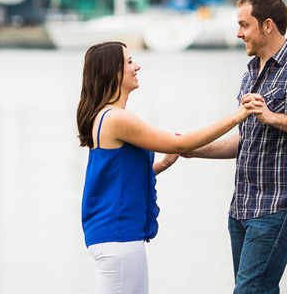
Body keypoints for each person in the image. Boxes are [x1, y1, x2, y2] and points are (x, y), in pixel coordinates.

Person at [183, 0, 287, 294]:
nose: (239, 33)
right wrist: (192, 149)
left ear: (268, 25)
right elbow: (247, 142)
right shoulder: (251, 74)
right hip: (242, 208)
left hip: (280, 206)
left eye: (244, 25)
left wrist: (273, 117)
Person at [76, 41, 257, 293]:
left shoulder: (105, 117)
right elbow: (180, 142)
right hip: (118, 240)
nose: (137, 66)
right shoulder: (116, 118)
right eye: (129, 62)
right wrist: (237, 116)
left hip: (119, 239)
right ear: (112, 72)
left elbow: (115, 180)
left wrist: (161, 164)